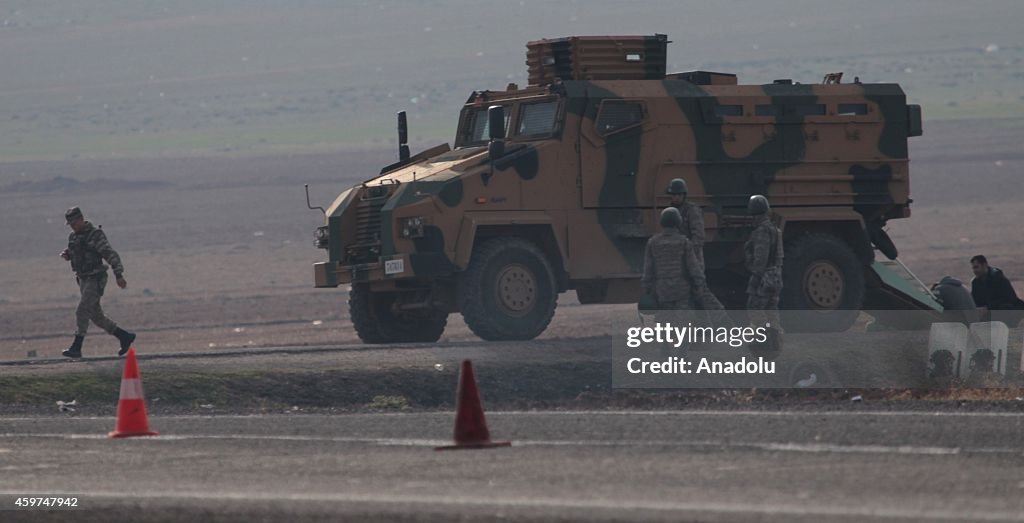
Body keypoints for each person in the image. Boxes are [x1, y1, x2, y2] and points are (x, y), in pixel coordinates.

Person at [60, 207, 136, 358]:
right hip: (82, 279)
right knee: (96, 316)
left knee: (82, 310)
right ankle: (124, 336)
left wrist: (118, 275)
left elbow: (109, 254)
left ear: (81, 219)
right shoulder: (73, 237)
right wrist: (68, 255)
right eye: (70, 224)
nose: (73, 226)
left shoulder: (95, 235)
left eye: (75, 223)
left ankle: (77, 346)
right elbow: (75, 252)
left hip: (95, 279)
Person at [642, 207, 705, 312]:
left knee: (665, 325)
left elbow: (648, 269)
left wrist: (647, 288)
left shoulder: (652, 242)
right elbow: (693, 267)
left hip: (662, 292)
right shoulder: (684, 242)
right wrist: (699, 285)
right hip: (682, 291)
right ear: (678, 222)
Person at [744, 195, 783, 351]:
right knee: (772, 309)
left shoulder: (761, 232)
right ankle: (776, 343)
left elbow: (760, 260)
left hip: (764, 277)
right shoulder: (776, 230)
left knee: (755, 308)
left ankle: (762, 343)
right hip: (776, 275)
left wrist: (754, 278)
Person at [969, 255, 1024, 324]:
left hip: (1008, 310)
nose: (974, 271)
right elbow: (975, 300)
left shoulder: (998, 278)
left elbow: (1009, 298)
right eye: (973, 268)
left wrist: (987, 307)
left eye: (976, 267)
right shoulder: (975, 282)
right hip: (990, 312)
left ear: (984, 265)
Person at [665, 178, 705, 267]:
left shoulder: (692, 210)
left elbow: (698, 236)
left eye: (679, 194)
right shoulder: (671, 211)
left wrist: (689, 252)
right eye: (674, 195)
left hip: (691, 257)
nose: (676, 197)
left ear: (684, 195)